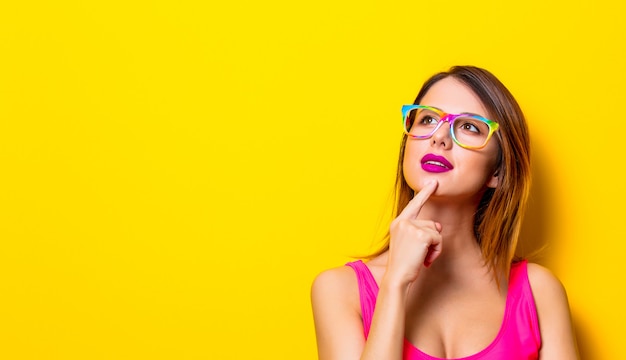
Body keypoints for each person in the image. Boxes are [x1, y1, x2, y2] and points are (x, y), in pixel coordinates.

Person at [311, 65, 579, 359]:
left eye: (469, 127)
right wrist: (395, 283)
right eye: (427, 119)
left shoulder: (540, 294)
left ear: (498, 172)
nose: (439, 138)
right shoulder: (339, 291)